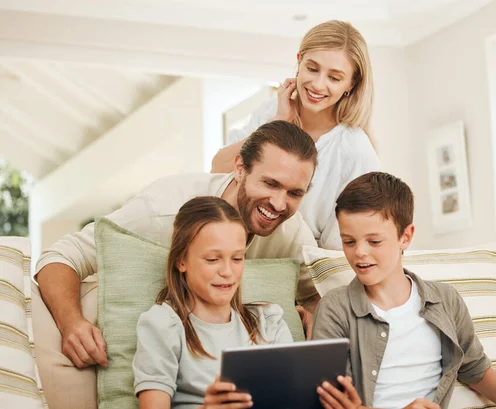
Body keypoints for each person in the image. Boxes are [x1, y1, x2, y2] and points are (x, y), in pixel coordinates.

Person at [35, 120, 319, 369]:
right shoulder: (164, 209)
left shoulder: (292, 231)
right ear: (240, 168)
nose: (280, 204)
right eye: (270, 184)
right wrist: (71, 323)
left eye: (294, 193)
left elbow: (319, 296)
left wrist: (311, 315)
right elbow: (61, 256)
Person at [312, 172, 496, 409]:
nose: (359, 252)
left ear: (406, 236)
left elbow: (475, 369)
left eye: (374, 241)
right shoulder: (336, 308)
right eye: (348, 241)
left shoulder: (445, 301)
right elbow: (334, 400)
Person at [211, 20, 380, 250]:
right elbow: (219, 169)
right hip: (238, 249)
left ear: (351, 84)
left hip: (304, 263)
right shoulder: (271, 111)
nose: (318, 85)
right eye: (312, 69)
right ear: (299, 61)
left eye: (334, 77)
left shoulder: (356, 151)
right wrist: (276, 123)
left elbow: (341, 246)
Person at [133, 196, 293, 409]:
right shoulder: (163, 325)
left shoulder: (269, 321)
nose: (227, 272)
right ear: (182, 260)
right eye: (212, 259)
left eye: (237, 258)